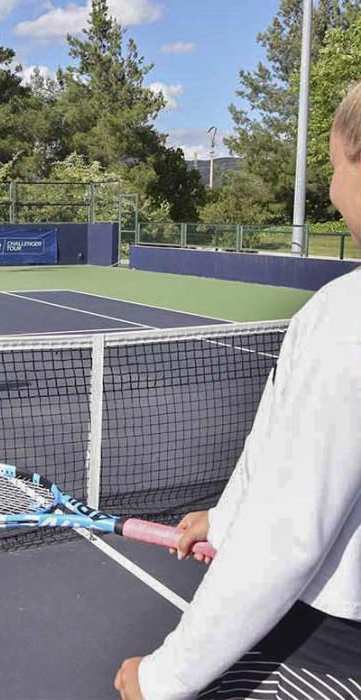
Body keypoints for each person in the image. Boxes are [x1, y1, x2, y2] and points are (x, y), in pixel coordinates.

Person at [115, 82, 361, 699]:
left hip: (326, 656)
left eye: (333, 167)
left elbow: (288, 534)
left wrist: (161, 677)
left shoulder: (344, 321)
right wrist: (225, 520)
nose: (331, 191)